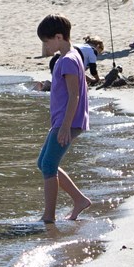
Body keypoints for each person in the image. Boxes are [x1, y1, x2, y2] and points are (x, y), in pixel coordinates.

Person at [35, 13, 93, 223]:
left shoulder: (68, 60)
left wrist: (65, 126)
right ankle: (79, 200)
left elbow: (74, 94)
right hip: (62, 120)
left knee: (49, 166)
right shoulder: (71, 55)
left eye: (47, 41)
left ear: (59, 37)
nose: (46, 46)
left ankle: (48, 217)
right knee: (43, 163)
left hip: (68, 121)